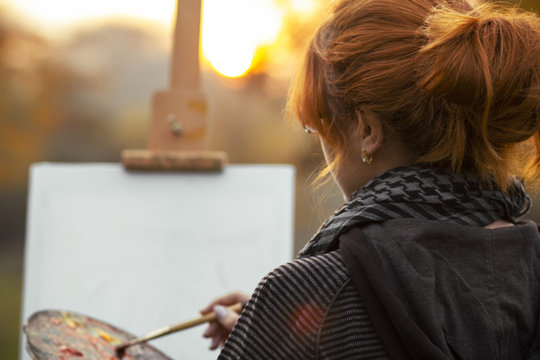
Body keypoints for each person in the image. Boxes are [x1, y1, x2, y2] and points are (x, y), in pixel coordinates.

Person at [201, 0, 540, 358]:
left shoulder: (311, 291)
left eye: (316, 124)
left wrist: (283, 316)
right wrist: (272, 331)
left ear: (367, 129)